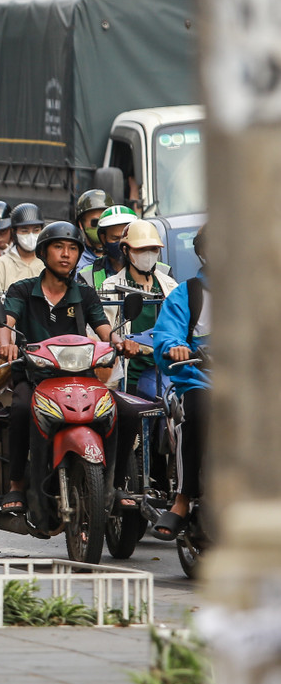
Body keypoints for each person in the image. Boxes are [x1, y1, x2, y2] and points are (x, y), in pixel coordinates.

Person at [0, 221, 137, 518]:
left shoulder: (84, 293)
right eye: (58, 247)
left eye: (72, 249)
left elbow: (104, 329)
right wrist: (6, 343)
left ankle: (117, 483)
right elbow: (6, 324)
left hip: (79, 378)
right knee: (21, 409)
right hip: (35, 376)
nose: (66, 255)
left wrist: (118, 341)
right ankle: (17, 484)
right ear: (44, 252)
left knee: (126, 412)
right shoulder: (22, 290)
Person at [151, 225, 209, 540]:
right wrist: (174, 346)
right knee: (197, 414)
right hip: (199, 380)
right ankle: (182, 500)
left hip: (246, 385)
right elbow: (166, 332)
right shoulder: (187, 292)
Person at [102, 220, 177, 399]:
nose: (148, 255)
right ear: (126, 250)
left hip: (168, 376)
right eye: (141, 249)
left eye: (153, 249)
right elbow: (101, 335)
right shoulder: (111, 288)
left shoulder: (170, 286)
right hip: (129, 379)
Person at [0, 203, 45, 300]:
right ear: (14, 232)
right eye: (24, 231)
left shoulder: (49, 263)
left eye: (36, 230)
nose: (31, 236)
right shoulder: (1, 265)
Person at [78, 205, 137, 288]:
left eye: (126, 237)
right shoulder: (86, 275)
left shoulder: (160, 270)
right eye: (115, 238)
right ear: (103, 238)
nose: (121, 244)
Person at [74, 189, 113, 272]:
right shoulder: (73, 261)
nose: (101, 226)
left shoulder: (124, 256)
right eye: (95, 222)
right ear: (81, 225)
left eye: (105, 221)